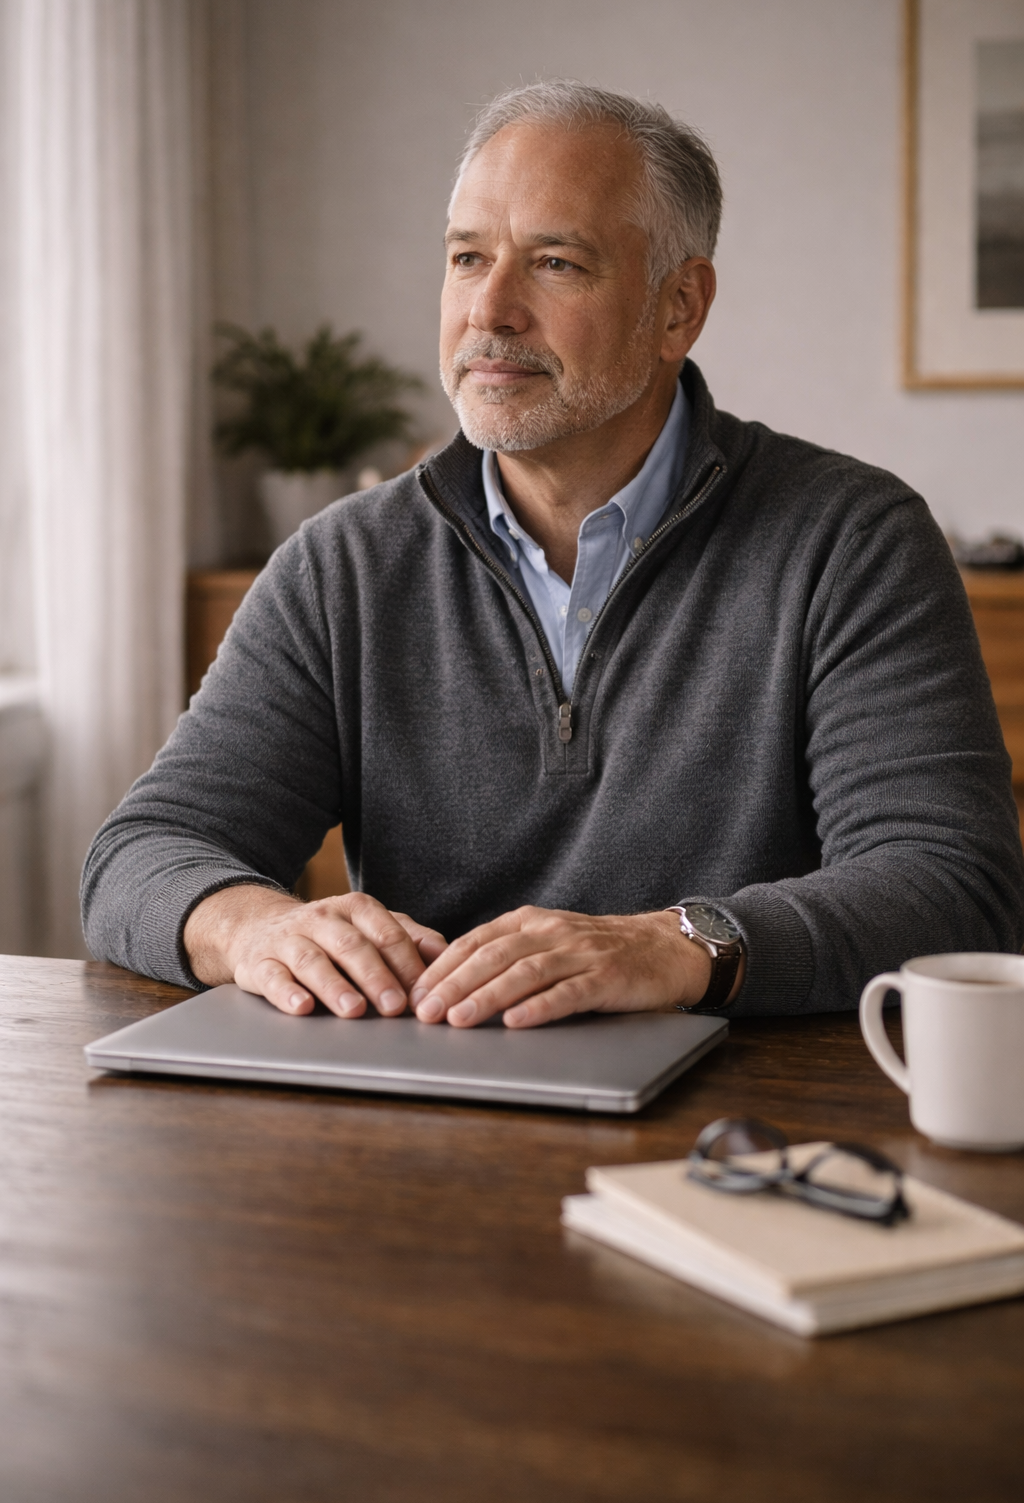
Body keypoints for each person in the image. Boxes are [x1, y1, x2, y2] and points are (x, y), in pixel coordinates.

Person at [82, 80, 1024, 1029]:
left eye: (557, 263)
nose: (490, 309)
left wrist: (679, 944)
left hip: (741, 1131)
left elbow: (952, 887)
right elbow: (144, 852)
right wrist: (251, 929)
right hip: (424, 1114)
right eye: (466, 258)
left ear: (679, 308)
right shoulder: (343, 567)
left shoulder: (852, 541)